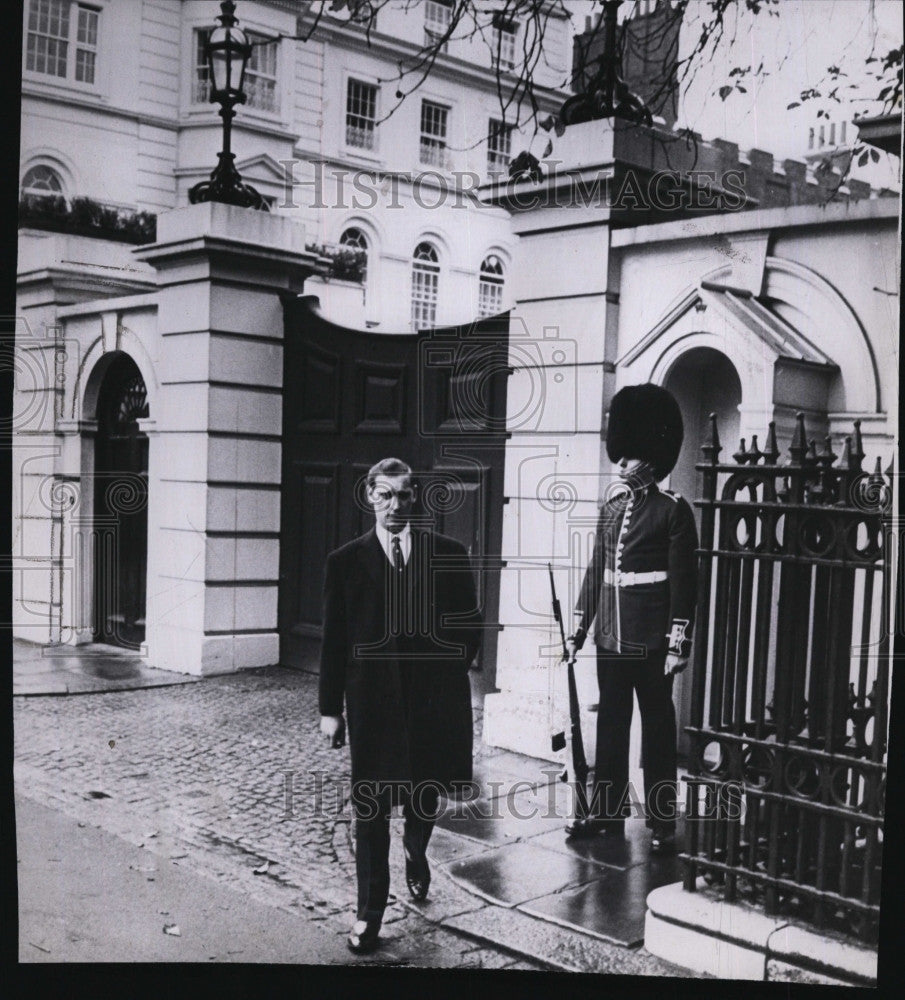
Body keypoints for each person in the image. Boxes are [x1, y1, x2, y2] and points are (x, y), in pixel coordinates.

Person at [319, 457, 482, 954]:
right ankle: (370, 914)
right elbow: (334, 641)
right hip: (371, 708)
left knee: (423, 796)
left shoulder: (447, 554)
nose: (395, 505)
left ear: (415, 498)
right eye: (385, 495)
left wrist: (442, 675)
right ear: (370, 496)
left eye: (404, 495)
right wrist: (331, 710)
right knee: (370, 813)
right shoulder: (345, 563)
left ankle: (416, 846)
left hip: (431, 707)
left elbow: (469, 629)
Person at [566, 384, 698, 854]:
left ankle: (662, 821)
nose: (619, 464)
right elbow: (595, 572)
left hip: (651, 642)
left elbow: (684, 584)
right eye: (619, 456)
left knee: (658, 728)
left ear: (654, 456)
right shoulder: (611, 509)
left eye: (630, 456)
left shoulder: (674, 512)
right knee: (612, 726)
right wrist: (578, 628)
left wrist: (678, 643)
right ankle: (607, 812)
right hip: (610, 640)